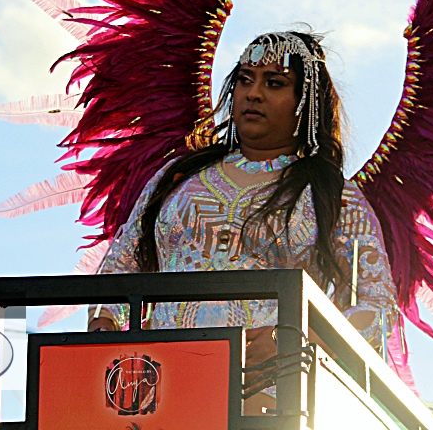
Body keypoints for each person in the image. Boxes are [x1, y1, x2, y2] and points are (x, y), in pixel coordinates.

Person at [86, 31, 398, 368]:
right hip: (165, 383)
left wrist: (295, 339)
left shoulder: (335, 196)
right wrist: (105, 327)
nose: (254, 93)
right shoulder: (176, 178)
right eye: (245, 80)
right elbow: (120, 267)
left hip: (270, 395)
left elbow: (377, 306)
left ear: (305, 102)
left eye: (274, 83)